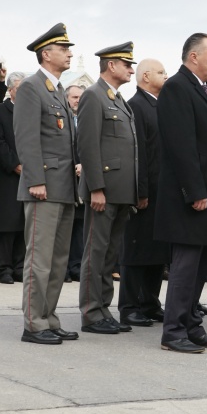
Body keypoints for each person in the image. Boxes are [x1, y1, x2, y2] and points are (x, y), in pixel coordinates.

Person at [154, 33, 207, 353]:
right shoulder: (177, 87)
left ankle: (191, 325)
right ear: (193, 57)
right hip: (190, 197)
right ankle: (173, 331)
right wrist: (194, 190)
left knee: (200, 267)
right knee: (185, 267)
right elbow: (181, 144)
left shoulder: (202, 88)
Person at [13, 23, 80, 345]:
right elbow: (26, 139)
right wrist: (35, 180)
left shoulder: (56, 90)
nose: (69, 54)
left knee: (57, 261)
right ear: (47, 53)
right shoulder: (31, 87)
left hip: (64, 186)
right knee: (39, 260)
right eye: (64, 49)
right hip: (44, 187)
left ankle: (49, 317)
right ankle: (34, 323)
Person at [76, 42, 139, 335]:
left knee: (110, 256)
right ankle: (91, 313)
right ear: (111, 65)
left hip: (122, 191)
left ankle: (104, 309)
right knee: (96, 253)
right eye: (127, 64)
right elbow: (87, 146)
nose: (131, 69)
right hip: (104, 191)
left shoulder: (118, 99)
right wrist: (96, 189)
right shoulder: (93, 96)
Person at [118, 59, 169, 327]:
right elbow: (139, 154)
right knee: (136, 250)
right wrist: (141, 191)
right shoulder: (137, 105)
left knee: (157, 251)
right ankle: (129, 306)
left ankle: (150, 303)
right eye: (161, 72)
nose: (166, 75)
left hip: (163, 191)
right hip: (146, 192)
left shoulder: (159, 105)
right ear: (146, 76)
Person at [0, 71, 27, 284]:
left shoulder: (32, 111)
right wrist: (14, 165)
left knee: (24, 223)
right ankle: (4, 268)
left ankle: (20, 267)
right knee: (7, 224)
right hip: (7, 176)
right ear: (10, 90)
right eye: (20, 89)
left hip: (30, 175)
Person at [65, 85, 85, 282]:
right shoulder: (62, 120)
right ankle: (63, 268)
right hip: (65, 179)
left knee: (79, 227)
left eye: (81, 97)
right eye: (75, 97)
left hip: (83, 181)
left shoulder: (87, 119)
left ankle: (76, 266)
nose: (78, 100)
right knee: (65, 226)